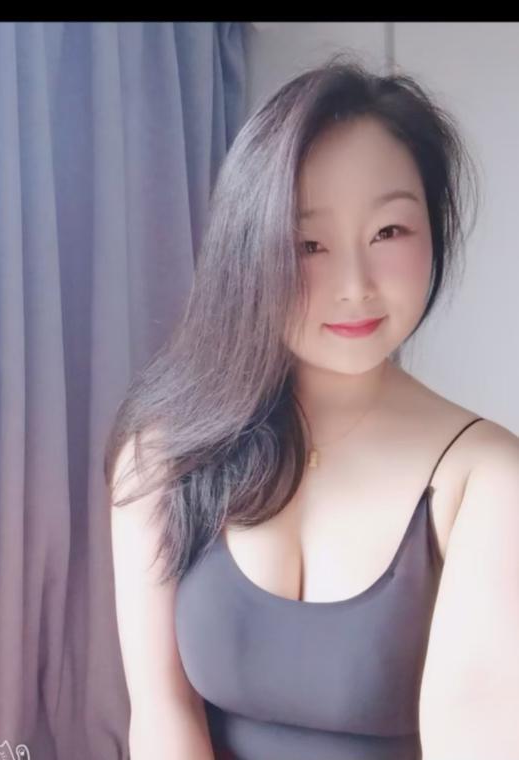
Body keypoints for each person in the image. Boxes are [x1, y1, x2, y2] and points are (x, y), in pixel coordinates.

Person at [106, 52, 519, 760]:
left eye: (389, 232)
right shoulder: (165, 454)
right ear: (249, 250)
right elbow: (162, 716)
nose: (355, 284)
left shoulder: (486, 479)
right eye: (309, 244)